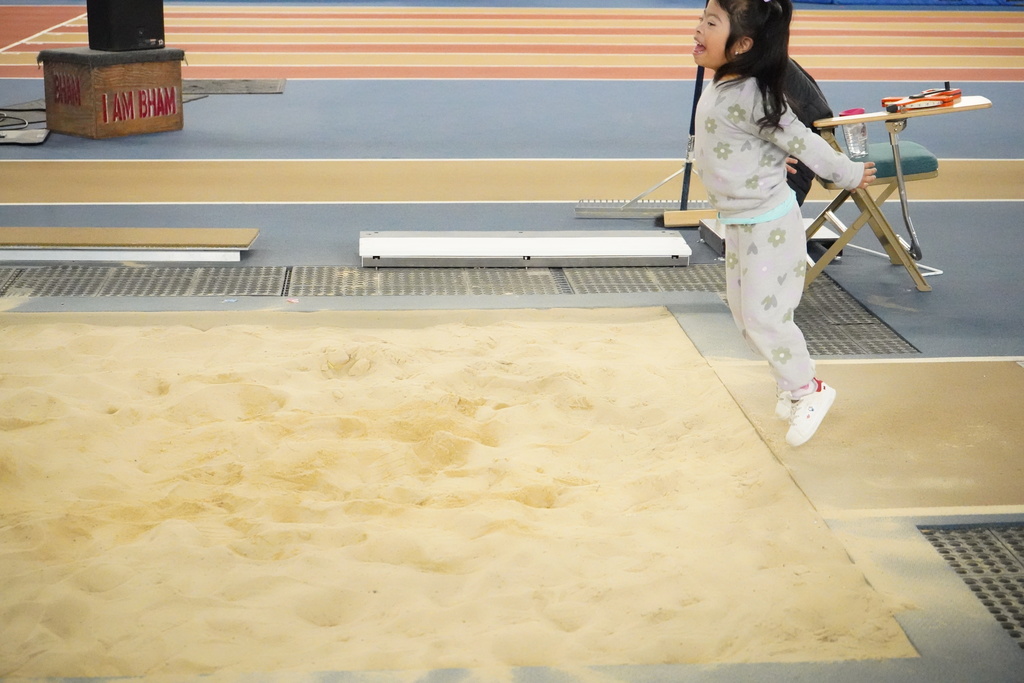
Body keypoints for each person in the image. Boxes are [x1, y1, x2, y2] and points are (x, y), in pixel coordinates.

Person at [692, 0, 876, 447]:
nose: (697, 29)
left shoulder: (756, 96)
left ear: (743, 44)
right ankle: (789, 385)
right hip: (739, 223)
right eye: (701, 19)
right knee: (744, 316)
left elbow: (804, 141)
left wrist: (849, 174)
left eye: (710, 23)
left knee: (764, 316)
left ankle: (808, 390)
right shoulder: (724, 85)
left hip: (768, 226)